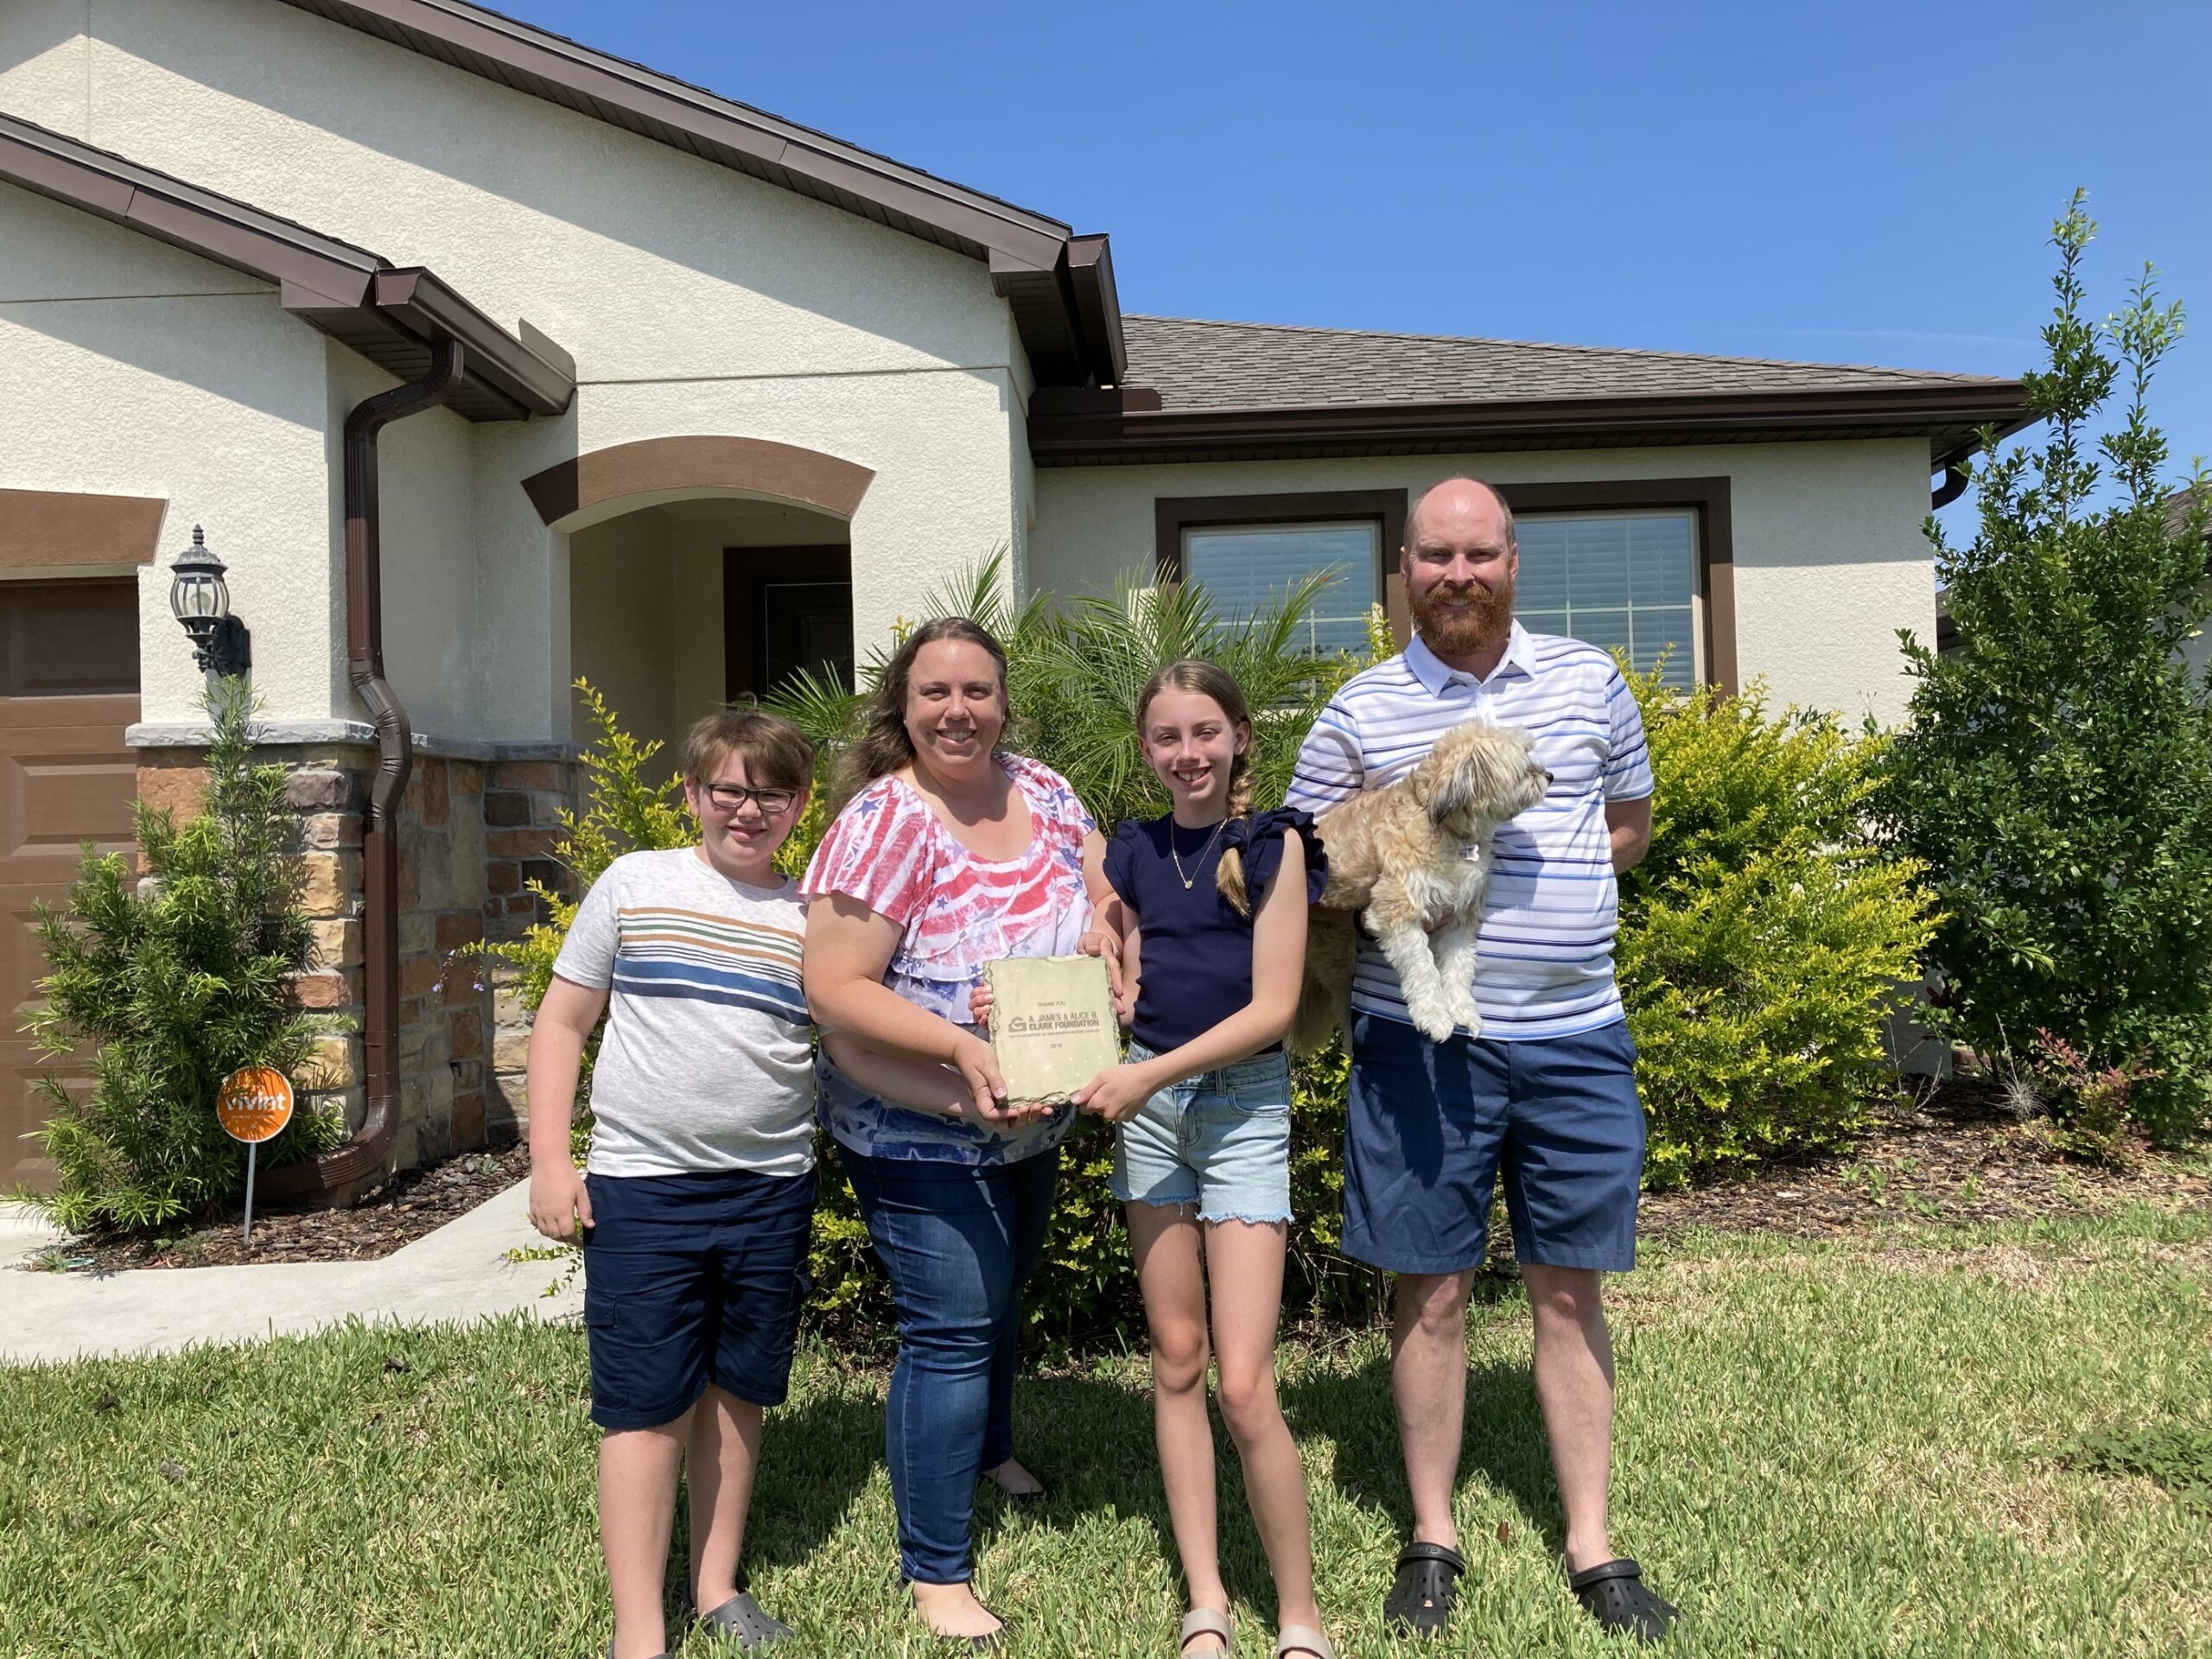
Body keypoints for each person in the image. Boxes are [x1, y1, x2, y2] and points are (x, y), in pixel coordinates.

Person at [1285, 477, 1677, 1644]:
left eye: (1478, 554)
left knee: (1570, 1287)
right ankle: (1432, 1537)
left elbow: (1628, 825)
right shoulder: (1360, 708)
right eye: (1435, 557)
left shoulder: (1588, 680)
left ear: (1514, 559)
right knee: (1433, 1287)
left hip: (1575, 1035)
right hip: (1418, 1046)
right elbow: (1310, 868)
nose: (1457, 575)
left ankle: (1594, 1543)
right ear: (1404, 567)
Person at [798, 616, 1120, 1647]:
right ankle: (936, 1570)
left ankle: (990, 1451)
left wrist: (1114, 929)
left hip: (1031, 1114)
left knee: (1003, 1298)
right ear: (903, 705)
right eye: (934, 693)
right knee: (947, 1330)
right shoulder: (889, 820)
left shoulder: (1048, 791)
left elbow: (1099, 879)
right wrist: (960, 1053)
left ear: (1001, 700)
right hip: (919, 1121)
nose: (957, 711)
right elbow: (833, 986)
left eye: (976, 691)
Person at [1048, 659, 1332, 1659]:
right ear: (1145, 752)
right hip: (1151, 1111)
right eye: (1167, 738)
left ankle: (1298, 1615)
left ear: (1241, 737)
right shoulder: (1131, 848)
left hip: (1238, 1108)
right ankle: (1205, 1602)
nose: (1188, 754)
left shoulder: (1272, 845)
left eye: (1206, 732)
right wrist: (1094, 967)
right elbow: (1112, 938)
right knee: (1177, 1360)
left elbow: (1273, 1010)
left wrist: (1146, 1073)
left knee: (1245, 1381)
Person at [525, 709, 820, 1659]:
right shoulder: (637, 883)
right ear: (691, 794)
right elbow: (563, 1025)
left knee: (738, 1394)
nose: (747, 809)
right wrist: (548, 1160)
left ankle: (715, 1584)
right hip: (643, 1189)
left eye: (768, 793)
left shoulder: (813, 915)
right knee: (645, 1407)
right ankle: (639, 1632)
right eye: (727, 790)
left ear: (799, 805)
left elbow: (857, 1037)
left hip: (771, 1187)